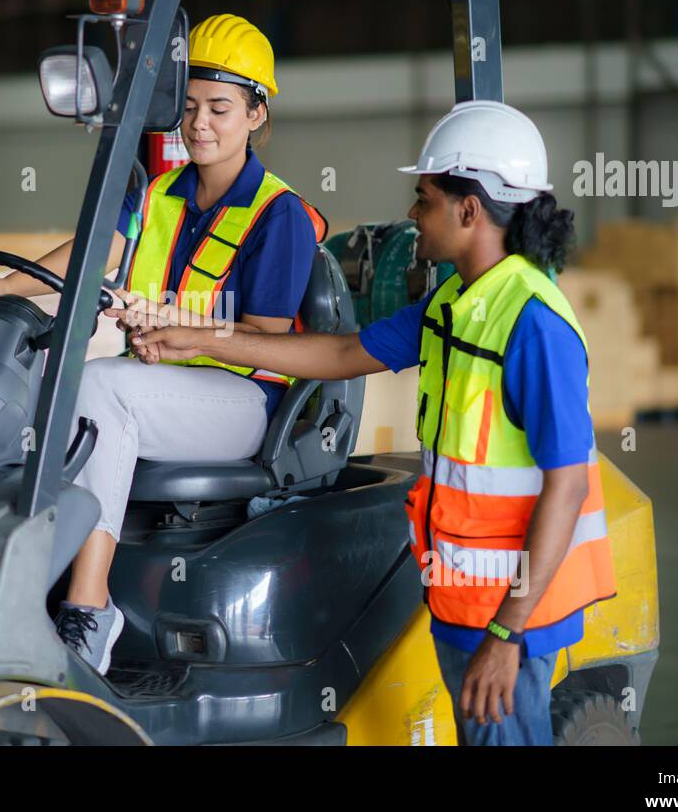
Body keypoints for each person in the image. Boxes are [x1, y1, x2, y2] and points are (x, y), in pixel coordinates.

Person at [133, 100, 616, 745]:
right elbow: (340, 353)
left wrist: (508, 634)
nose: (411, 217)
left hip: (510, 613)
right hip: (464, 596)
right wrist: (204, 340)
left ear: (469, 210)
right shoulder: (457, 300)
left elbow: (569, 485)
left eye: (423, 199)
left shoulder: (532, 323)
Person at [0, 14, 325, 674]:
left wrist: (180, 334)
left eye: (220, 108)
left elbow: (268, 337)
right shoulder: (158, 194)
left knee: (100, 386)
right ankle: (3, 578)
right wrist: (4, 282)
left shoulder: (278, 212)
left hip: (244, 400)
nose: (199, 123)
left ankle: (90, 610)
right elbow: (96, 255)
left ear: (257, 114)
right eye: (187, 107)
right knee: (42, 380)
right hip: (165, 383)